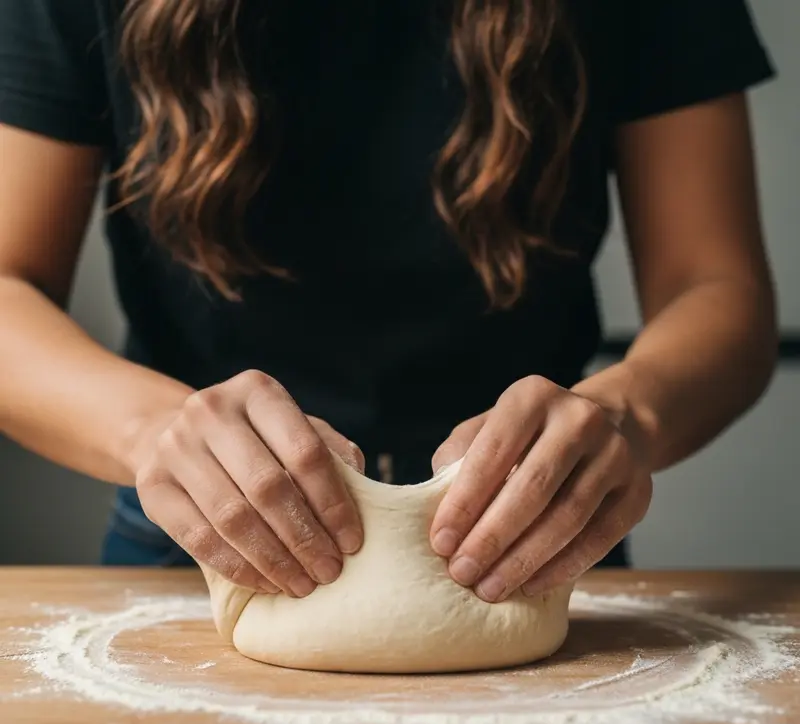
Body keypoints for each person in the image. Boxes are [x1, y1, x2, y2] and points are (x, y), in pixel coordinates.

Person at [0, 1, 778, 605]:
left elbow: (717, 288)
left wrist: (625, 418)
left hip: (538, 535)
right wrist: (152, 430)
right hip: (202, 536)